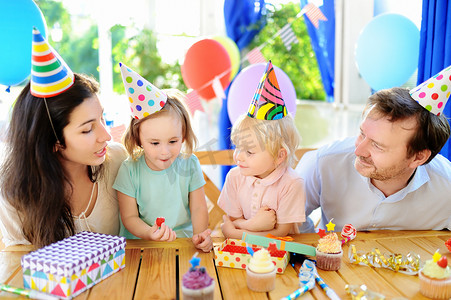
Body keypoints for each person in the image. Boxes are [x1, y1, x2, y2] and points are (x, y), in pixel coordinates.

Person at [0, 28, 127, 248]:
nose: (106, 136)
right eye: (87, 129)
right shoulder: (14, 193)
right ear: (53, 141)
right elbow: (19, 267)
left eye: (102, 118)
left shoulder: (116, 161)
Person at [298, 67, 451, 233]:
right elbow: (290, 222)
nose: (359, 151)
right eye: (362, 134)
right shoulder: (323, 163)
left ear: (417, 157)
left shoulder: (446, 187)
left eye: (377, 145)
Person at [113, 63, 212, 252]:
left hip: (183, 243)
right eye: (155, 143)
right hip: (141, 246)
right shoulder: (129, 169)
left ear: (183, 135)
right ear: (138, 139)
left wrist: (200, 235)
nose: (165, 152)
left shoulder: (190, 164)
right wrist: (150, 233)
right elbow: (129, 217)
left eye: (173, 141)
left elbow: (199, 208)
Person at [218, 61, 306, 239]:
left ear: (279, 156)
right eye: (237, 147)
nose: (238, 157)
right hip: (242, 254)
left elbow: (280, 233)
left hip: (280, 258)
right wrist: (251, 224)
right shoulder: (235, 177)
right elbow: (233, 220)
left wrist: (236, 231)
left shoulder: (292, 184)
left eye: (249, 152)